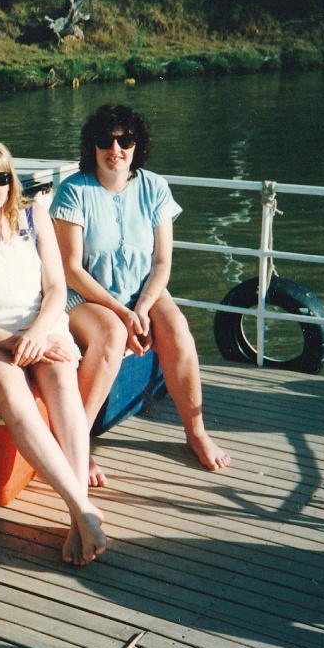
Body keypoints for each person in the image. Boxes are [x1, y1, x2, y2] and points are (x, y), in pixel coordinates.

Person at [0, 140, 107, 566]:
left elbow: (56, 290)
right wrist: (15, 343)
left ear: (11, 182)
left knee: (63, 384)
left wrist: (40, 333)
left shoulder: (34, 218)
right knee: (16, 401)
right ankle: (83, 511)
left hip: (42, 328)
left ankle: (76, 512)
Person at [50, 104, 231, 485]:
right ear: (93, 146)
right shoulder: (74, 191)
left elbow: (162, 262)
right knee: (112, 333)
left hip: (141, 290)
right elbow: (71, 270)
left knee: (177, 328)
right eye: (105, 140)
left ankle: (195, 433)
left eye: (125, 140)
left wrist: (143, 309)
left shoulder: (154, 188)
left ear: (137, 145)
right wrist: (122, 312)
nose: (115, 149)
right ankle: (75, 446)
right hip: (85, 296)